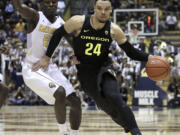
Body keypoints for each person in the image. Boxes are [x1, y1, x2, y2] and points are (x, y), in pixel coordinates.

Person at [32, 0, 154, 134]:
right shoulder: (78, 21)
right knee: (107, 107)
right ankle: (128, 127)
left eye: (107, 9)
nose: (103, 12)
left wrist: (150, 58)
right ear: (94, 9)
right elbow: (57, 34)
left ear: (111, 10)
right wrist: (47, 57)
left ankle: (135, 131)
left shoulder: (114, 30)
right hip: (86, 73)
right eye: (100, 8)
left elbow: (130, 51)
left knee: (115, 97)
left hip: (104, 67)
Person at [12, 0, 81, 135]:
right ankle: (63, 132)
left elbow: (74, 43)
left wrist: (79, 56)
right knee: (60, 92)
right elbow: (19, 6)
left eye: (53, 2)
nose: (51, 5)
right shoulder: (35, 16)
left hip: (49, 67)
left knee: (76, 101)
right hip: (32, 68)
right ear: (40, 5)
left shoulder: (62, 23)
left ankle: (74, 133)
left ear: (57, 4)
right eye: (47, 2)